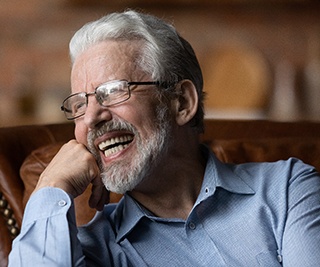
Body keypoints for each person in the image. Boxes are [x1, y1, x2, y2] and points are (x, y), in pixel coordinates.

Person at [9, 10, 320, 266]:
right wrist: (50, 187)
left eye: (114, 91)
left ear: (182, 102)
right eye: (79, 104)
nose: (91, 118)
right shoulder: (92, 251)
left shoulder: (288, 190)